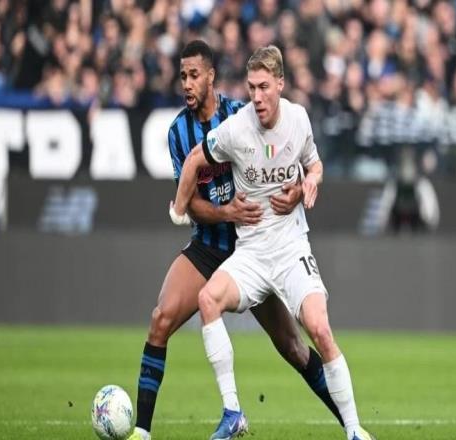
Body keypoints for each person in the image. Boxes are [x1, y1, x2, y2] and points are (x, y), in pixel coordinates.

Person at [128, 40, 345, 440]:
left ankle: (351, 424)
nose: (187, 84)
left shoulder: (241, 114)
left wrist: (298, 190)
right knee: (161, 320)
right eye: (182, 76)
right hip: (210, 245)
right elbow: (191, 203)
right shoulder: (178, 133)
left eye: (194, 75)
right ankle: (141, 431)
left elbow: (288, 163)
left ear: (211, 77)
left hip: (254, 246)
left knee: (294, 348)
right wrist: (225, 212)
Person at [170, 45, 375, 440]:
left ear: (280, 84)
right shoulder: (236, 128)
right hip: (251, 253)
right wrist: (179, 208)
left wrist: (308, 183)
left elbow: (315, 164)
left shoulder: (298, 120)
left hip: (290, 249)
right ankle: (232, 412)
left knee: (319, 329)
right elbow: (195, 159)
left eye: (264, 87)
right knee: (208, 300)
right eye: (251, 88)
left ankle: (353, 430)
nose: (258, 97)